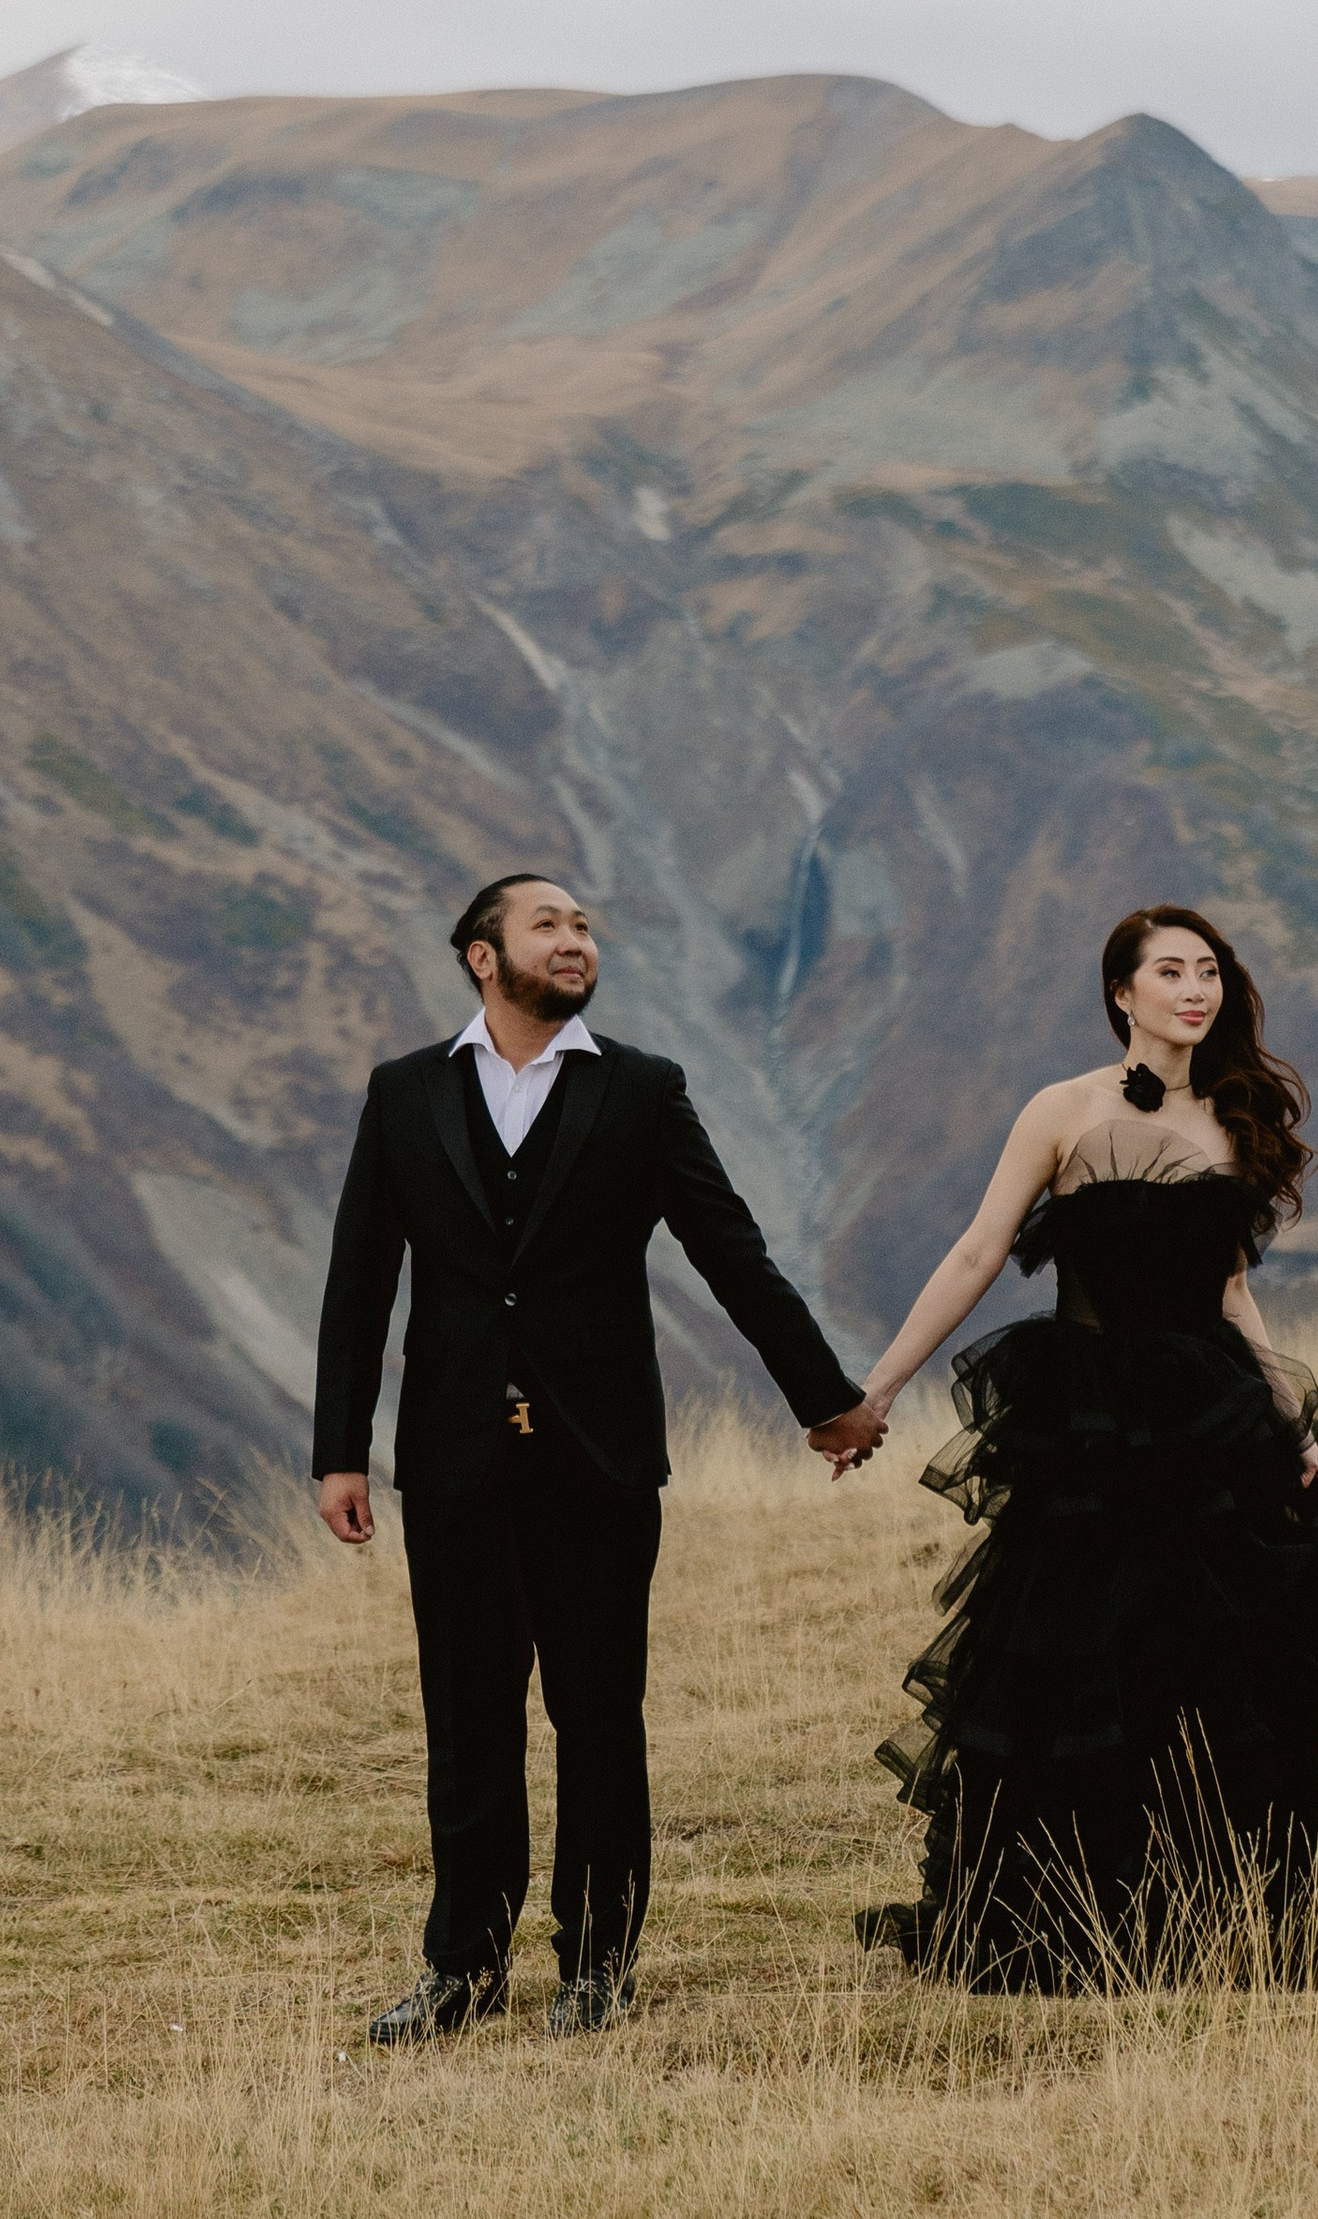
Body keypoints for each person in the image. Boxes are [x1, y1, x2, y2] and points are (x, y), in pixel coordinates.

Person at [849, 902, 1318, 1983]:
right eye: (1169, 970)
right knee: (1092, 1666)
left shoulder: (1233, 1112)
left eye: (1208, 971)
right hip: (1089, 1427)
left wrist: (1288, 1418)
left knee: (1274, 1661)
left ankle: (1278, 1913)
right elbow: (980, 1249)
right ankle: (1087, 1923)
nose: (1194, 989)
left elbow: (1228, 1292)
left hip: (1212, 1417)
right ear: (1120, 992)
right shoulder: (1061, 1111)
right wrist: (878, 1390)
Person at [313, 871, 886, 2043]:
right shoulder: (404, 1092)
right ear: (484, 955)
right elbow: (360, 1281)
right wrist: (342, 1452)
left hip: (599, 1457)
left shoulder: (640, 1090)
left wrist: (822, 1399)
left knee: (597, 1715)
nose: (575, 941)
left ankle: (598, 1967)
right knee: (468, 1722)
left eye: (582, 927)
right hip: (455, 1458)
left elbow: (731, 1250)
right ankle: (460, 1970)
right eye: (549, 924)